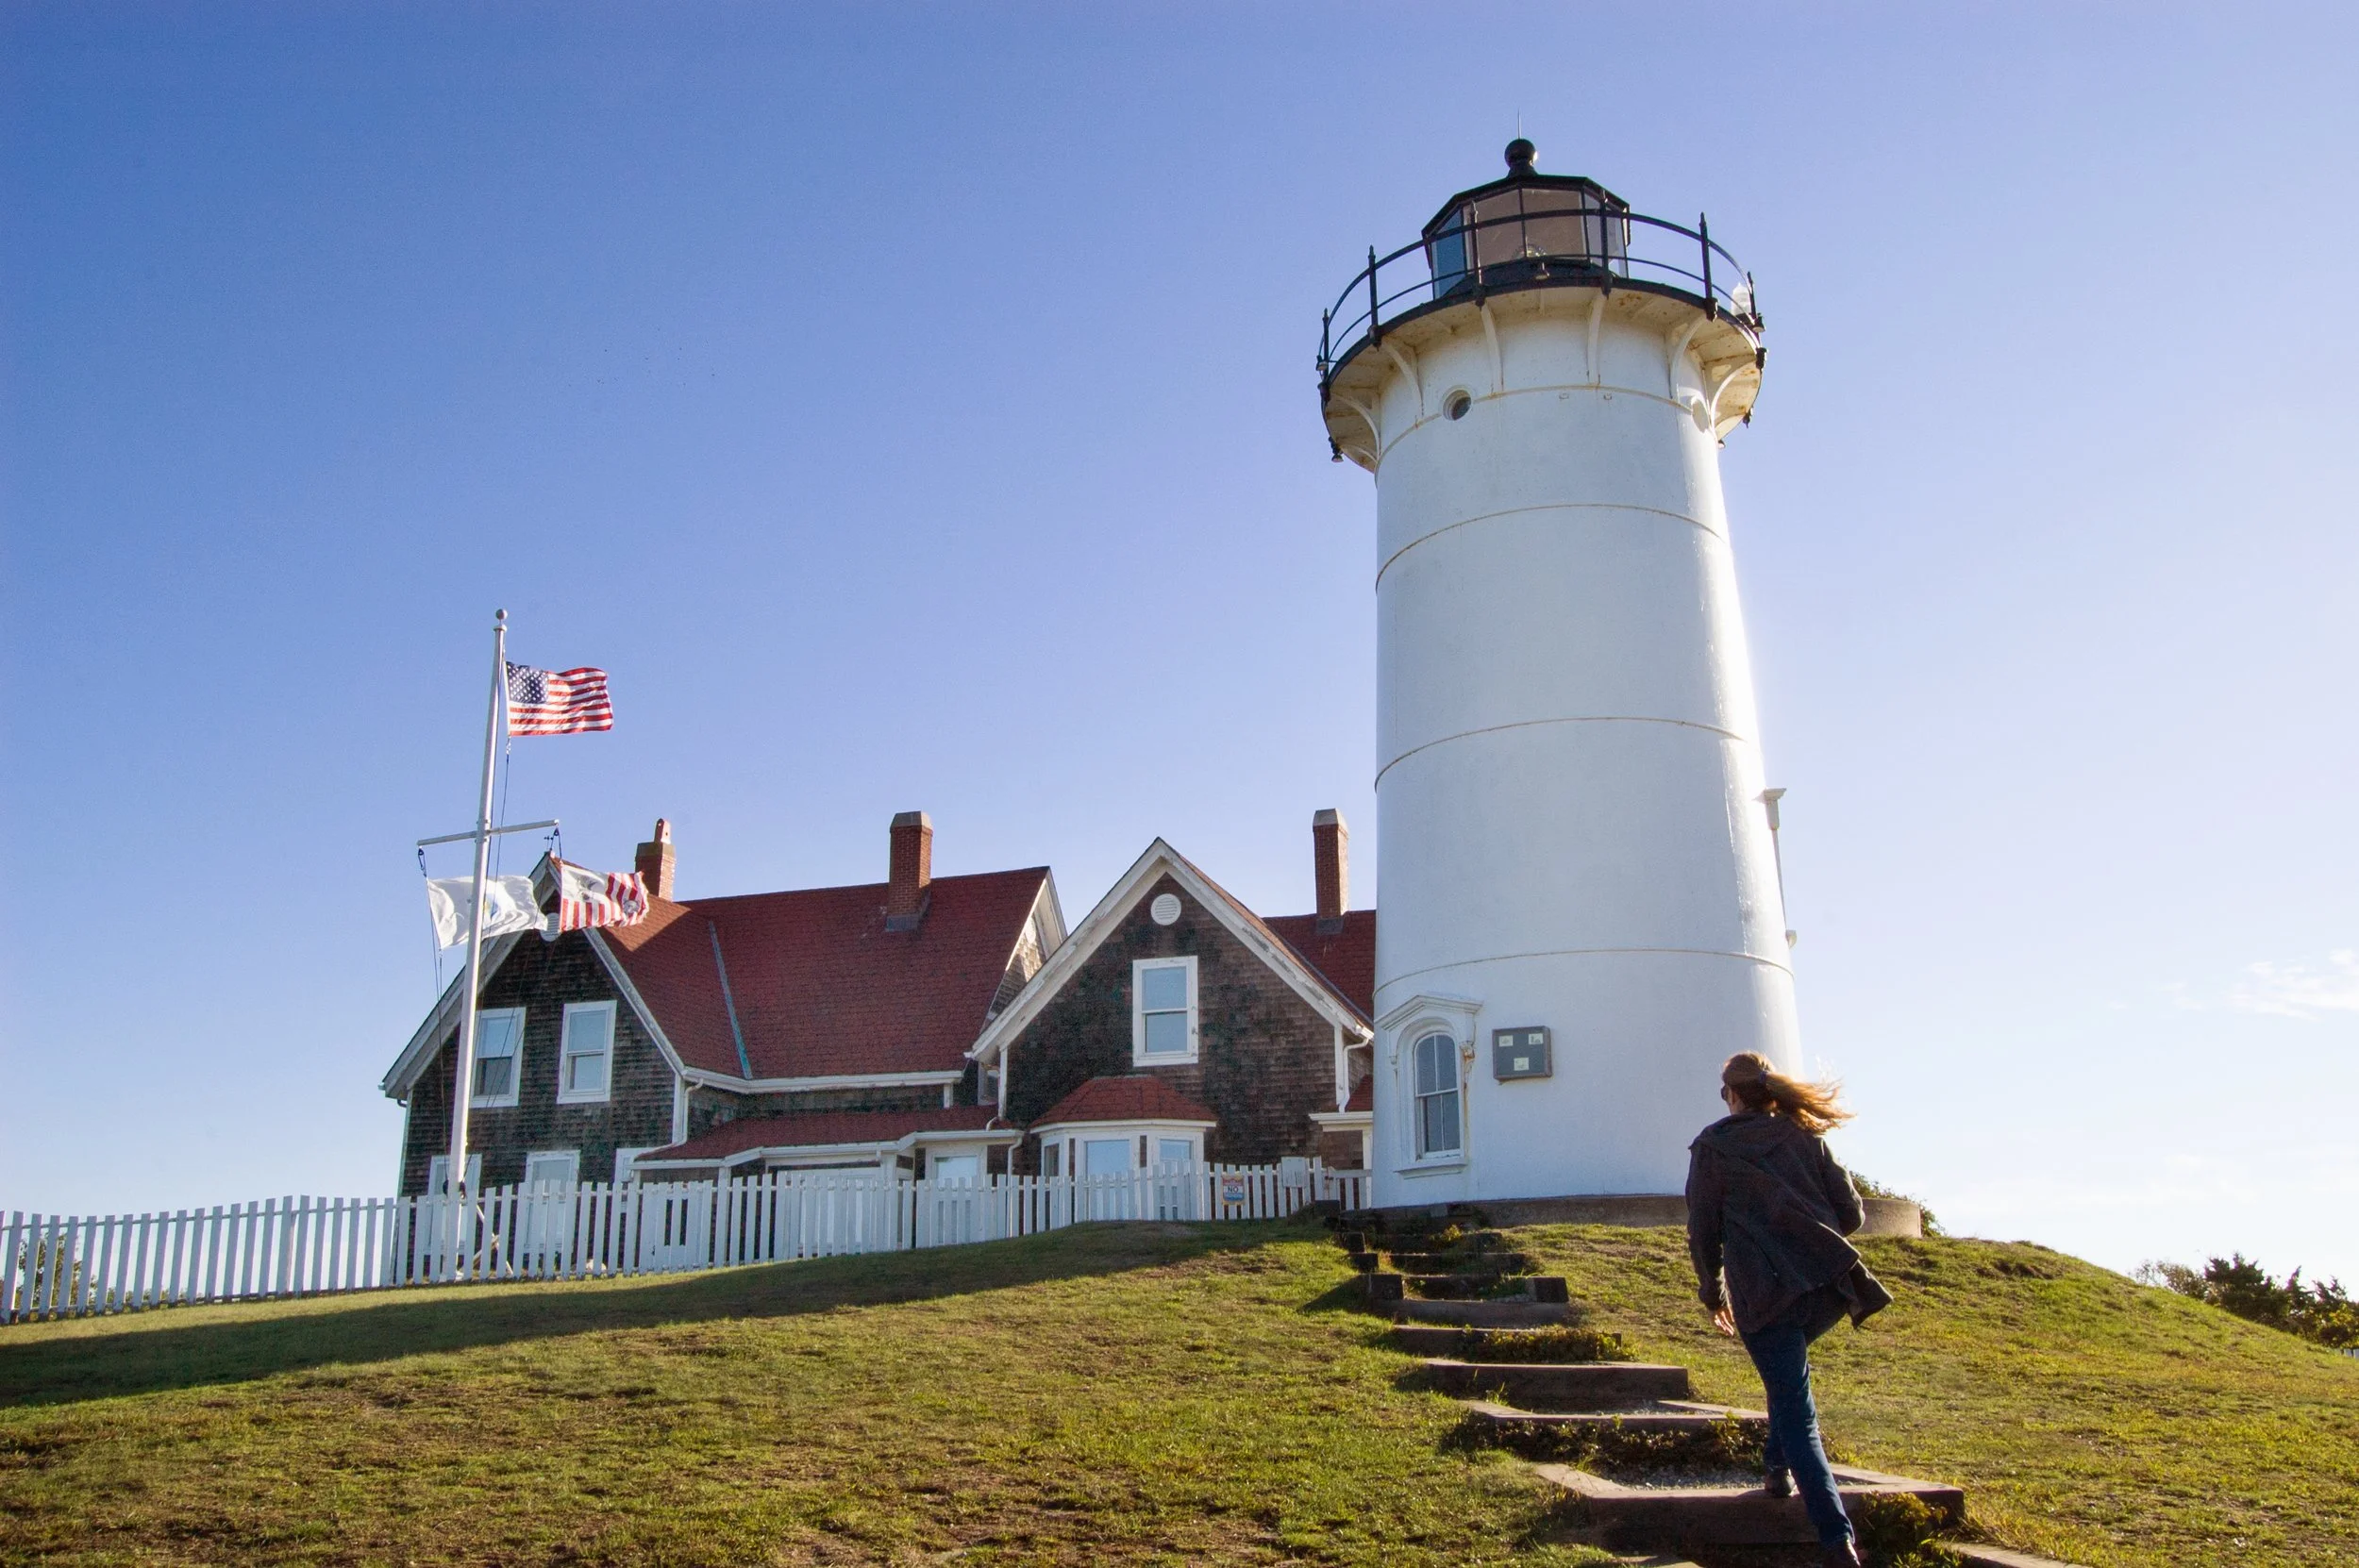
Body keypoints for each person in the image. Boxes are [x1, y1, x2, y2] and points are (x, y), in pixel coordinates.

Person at [1686, 1052, 1893, 1568]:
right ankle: (1774, 1470)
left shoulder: (1713, 1146)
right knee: (1787, 1381)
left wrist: (1712, 1292)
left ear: (1731, 1094)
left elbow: (1702, 1230)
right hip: (1824, 1290)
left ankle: (1835, 1541)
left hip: (1762, 1295)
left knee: (1797, 1412)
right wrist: (1805, 1244)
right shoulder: (1804, 1137)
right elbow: (1852, 1214)